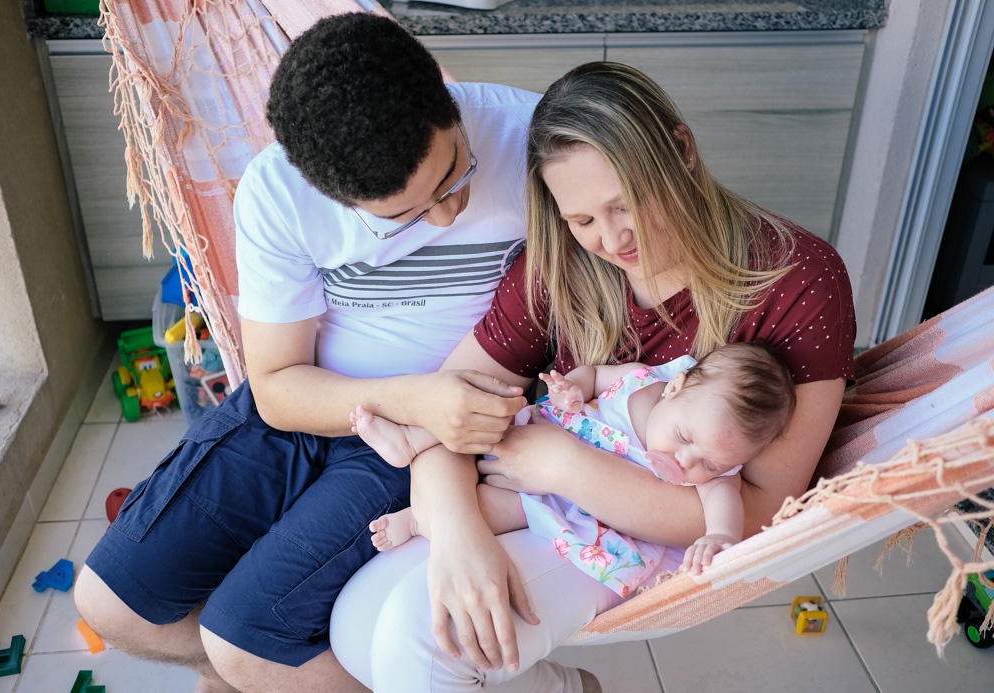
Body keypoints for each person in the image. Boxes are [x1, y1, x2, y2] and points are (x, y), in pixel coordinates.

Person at [329, 60, 856, 693]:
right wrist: (457, 533)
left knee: (419, 646)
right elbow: (452, 399)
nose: (611, 238)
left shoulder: (799, 281)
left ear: (682, 151)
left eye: (626, 203)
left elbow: (763, 510)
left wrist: (560, 465)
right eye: (583, 220)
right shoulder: (559, 265)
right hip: (533, 505)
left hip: (628, 541)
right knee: (354, 626)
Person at [73, 12, 542, 693]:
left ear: (447, 99)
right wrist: (412, 395)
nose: (446, 214)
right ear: (324, 188)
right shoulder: (277, 190)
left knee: (247, 643)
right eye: (406, 215)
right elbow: (278, 387)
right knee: (110, 606)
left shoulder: (531, 137)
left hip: (432, 436)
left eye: (456, 174)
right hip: (316, 402)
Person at [354, 342, 797, 586]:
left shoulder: (717, 468)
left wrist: (720, 534)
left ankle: (417, 521)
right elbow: (592, 374)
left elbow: (724, 498)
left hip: (565, 496)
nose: (685, 461)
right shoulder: (640, 379)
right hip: (538, 427)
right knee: (496, 407)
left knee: (511, 509)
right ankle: (411, 439)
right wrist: (573, 390)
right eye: (684, 438)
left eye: (708, 464)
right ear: (676, 387)